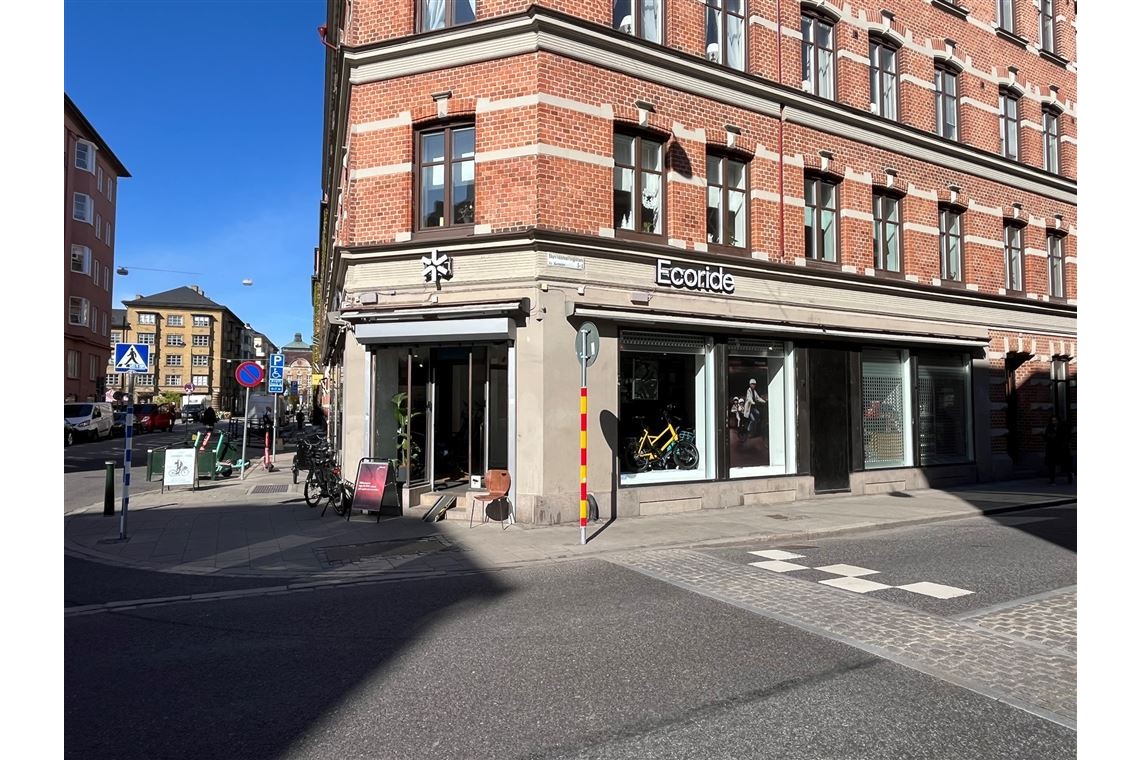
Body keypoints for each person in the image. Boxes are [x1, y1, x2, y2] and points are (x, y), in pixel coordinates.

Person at [1043, 415, 1072, 484]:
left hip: (1061, 448)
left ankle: (1070, 476)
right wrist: (1048, 436)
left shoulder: (1062, 427)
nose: (1054, 422)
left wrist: (1063, 444)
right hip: (1052, 448)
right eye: (1052, 420)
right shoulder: (1049, 427)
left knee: (1066, 463)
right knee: (1051, 464)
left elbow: (1066, 437)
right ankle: (1052, 479)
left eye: (1055, 420)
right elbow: (1046, 437)